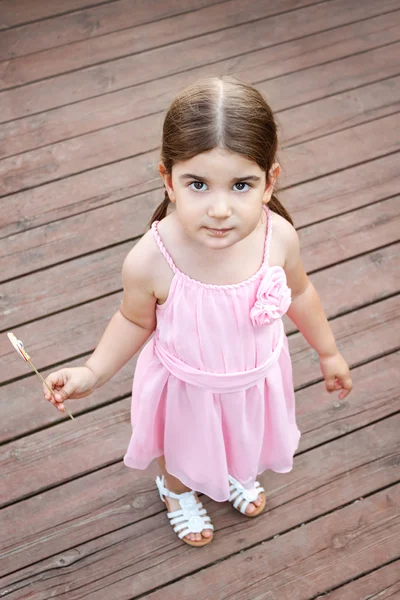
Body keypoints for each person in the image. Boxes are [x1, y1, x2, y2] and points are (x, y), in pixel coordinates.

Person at [43, 76, 352, 547]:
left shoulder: (278, 237)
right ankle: (177, 490)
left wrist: (328, 354)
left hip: (253, 380)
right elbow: (132, 320)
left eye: (241, 185)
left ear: (270, 183)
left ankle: (232, 471)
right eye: (199, 184)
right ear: (169, 180)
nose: (221, 209)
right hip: (187, 387)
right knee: (183, 447)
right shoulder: (152, 258)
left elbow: (302, 293)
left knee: (241, 438)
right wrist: (93, 371)